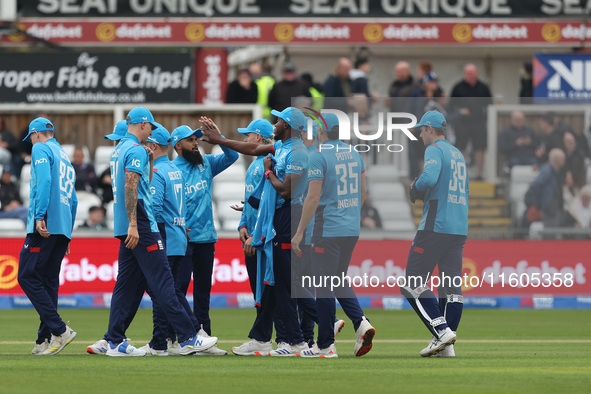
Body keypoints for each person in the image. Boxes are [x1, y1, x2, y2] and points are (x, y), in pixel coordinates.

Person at [102, 106, 217, 357]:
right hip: (141, 224)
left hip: (126, 225)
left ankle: (113, 340)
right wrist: (135, 223)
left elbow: (132, 183)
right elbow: (131, 187)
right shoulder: (134, 150)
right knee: (164, 283)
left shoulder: (119, 150)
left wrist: (129, 224)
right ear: (143, 125)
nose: (150, 133)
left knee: (126, 285)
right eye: (150, 127)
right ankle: (188, 337)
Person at [200, 107, 309, 356]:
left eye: (279, 120)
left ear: (289, 125)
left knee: (280, 282)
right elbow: (250, 152)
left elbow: (286, 192)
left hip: (283, 221)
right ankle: (276, 338)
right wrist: (219, 140)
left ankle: (295, 340)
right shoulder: (279, 148)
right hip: (273, 222)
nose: (275, 124)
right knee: (274, 282)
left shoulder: (295, 152)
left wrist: (269, 172)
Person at [291, 112, 375, 358]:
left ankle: (326, 345)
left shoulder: (318, 155)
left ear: (321, 131)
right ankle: (361, 322)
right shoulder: (355, 153)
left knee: (323, 286)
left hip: (327, 229)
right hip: (351, 228)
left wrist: (298, 233)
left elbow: (313, 198)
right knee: (338, 279)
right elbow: (362, 194)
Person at [403, 110, 469, 358]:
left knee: (412, 283)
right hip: (458, 227)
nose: (420, 134)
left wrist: (414, 189)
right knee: (451, 288)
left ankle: (441, 331)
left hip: (436, 225)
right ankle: (446, 345)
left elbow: (428, 178)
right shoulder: (458, 154)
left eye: (421, 129)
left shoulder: (435, 149)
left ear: (430, 129)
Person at [171, 123, 239, 355]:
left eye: (196, 139)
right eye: (190, 140)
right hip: (183, 239)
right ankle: (178, 337)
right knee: (177, 290)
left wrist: (218, 138)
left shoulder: (206, 163)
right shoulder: (171, 170)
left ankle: (205, 338)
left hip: (206, 238)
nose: (196, 143)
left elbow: (233, 156)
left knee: (203, 292)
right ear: (178, 145)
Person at [17, 117, 78, 356]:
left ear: (38, 134)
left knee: (26, 276)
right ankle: (44, 339)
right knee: (49, 281)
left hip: (45, 223)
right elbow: (73, 198)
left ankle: (60, 330)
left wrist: (39, 215)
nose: (31, 142)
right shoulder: (64, 156)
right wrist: (68, 234)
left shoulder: (41, 148)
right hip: (62, 226)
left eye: (31, 137)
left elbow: (43, 181)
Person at [233, 119, 275, 297]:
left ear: (258, 137)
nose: (244, 140)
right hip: (251, 237)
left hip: (262, 239)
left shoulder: (269, 162)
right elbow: (249, 200)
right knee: (260, 297)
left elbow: (268, 205)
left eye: (247, 135)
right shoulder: (254, 165)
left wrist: (254, 236)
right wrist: (242, 225)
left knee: (268, 297)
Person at [450, 63, 493, 180]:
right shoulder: (458, 87)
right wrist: (460, 112)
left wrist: (485, 119)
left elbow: (490, 105)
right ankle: (461, 173)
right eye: (466, 73)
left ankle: (479, 174)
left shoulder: (483, 87)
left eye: (470, 74)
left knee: (480, 148)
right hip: (462, 123)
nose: (468, 76)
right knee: (460, 148)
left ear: (476, 74)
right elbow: (450, 106)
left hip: (479, 122)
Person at [524, 148, 566, 231]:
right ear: (557, 160)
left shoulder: (555, 171)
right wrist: (538, 203)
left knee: (554, 233)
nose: (564, 161)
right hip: (549, 208)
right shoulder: (548, 170)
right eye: (563, 159)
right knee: (550, 235)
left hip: (554, 208)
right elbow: (535, 185)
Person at [97, 121, 128, 206]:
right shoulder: (113, 164)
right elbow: (99, 181)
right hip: (112, 202)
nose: (116, 146)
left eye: (119, 141)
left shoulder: (135, 160)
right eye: (115, 142)